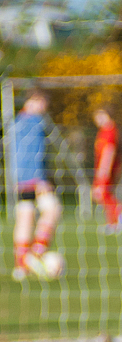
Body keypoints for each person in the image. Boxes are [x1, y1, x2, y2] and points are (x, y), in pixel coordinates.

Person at [11, 88, 62, 281]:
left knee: (25, 216)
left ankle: (20, 266)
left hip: (20, 178)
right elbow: (32, 154)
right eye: (42, 103)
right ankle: (36, 252)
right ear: (33, 100)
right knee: (53, 209)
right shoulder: (33, 122)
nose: (43, 108)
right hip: (32, 178)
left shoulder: (18, 121)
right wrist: (39, 179)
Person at [92, 107, 122, 234]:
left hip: (106, 168)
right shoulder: (103, 131)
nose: (97, 120)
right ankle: (113, 222)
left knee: (101, 193)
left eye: (100, 116)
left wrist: (104, 169)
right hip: (102, 167)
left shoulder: (110, 130)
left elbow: (109, 151)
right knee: (103, 195)